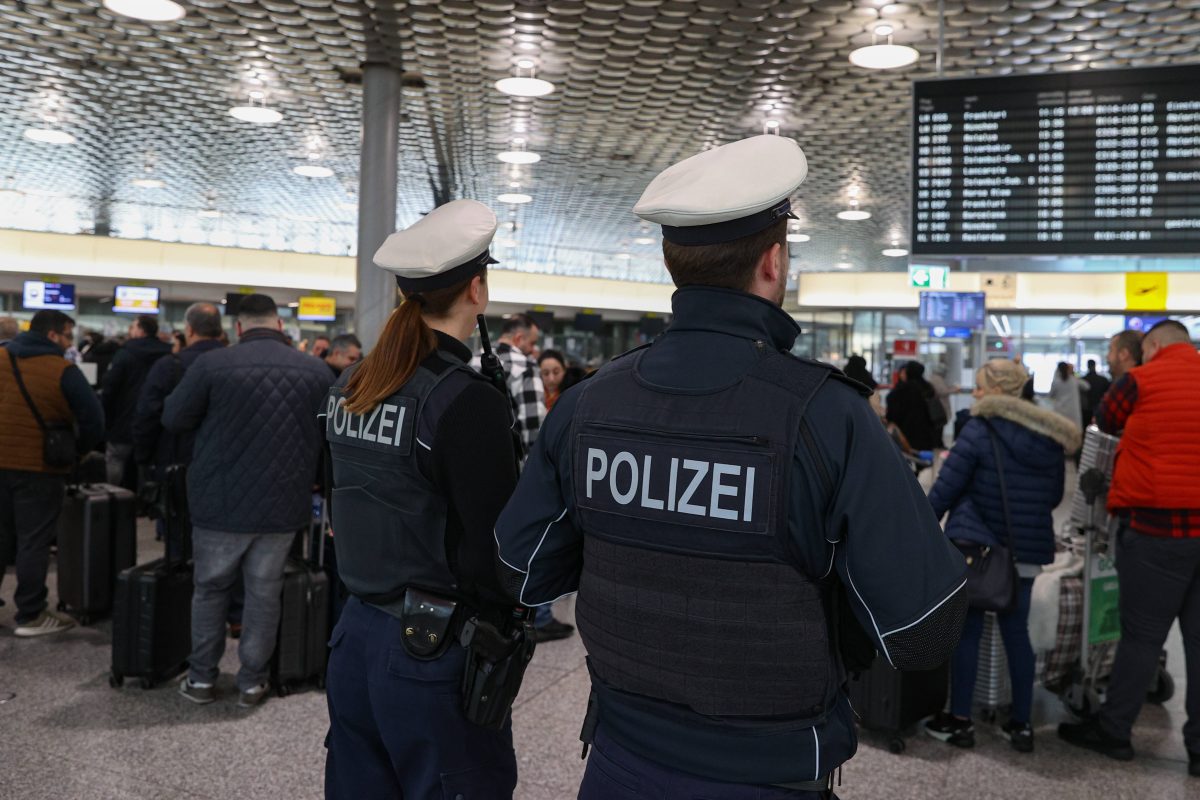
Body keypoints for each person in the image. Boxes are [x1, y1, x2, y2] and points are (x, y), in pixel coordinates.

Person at [493, 135, 968, 798]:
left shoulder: (587, 404)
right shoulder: (826, 416)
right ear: (772, 263)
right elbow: (923, 631)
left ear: (673, 264)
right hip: (770, 772)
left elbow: (521, 568)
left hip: (618, 761)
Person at [321, 200, 522, 799]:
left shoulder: (352, 383)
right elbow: (496, 545)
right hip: (433, 649)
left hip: (355, 633)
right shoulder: (465, 400)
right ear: (478, 291)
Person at [163, 294, 330, 708]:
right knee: (263, 593)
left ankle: (201, 679)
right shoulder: (315, 370)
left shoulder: (211, 364)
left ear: (237, 327)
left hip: (218, 502)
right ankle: (252, 682)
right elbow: (331, 437)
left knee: (210, 589)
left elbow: (173, 418)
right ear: (279, 324)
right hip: (284, 502)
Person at [1060, 320, 1200, 777]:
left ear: (1153, 345)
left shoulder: (1138, 381)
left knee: (1142, 636)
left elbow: (1105, 423)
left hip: (1156, 530)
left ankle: (1116, 732)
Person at [923, 359, 1081, 753]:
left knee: (967, 633)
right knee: (1017, 633)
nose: (974, 394)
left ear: (993, 390)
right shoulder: (1047, 435)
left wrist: (922, 526)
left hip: (976, 550)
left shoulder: (979, 429)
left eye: (978, 387)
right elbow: (1052, 497)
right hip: (1024, 551)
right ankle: (1021, 724)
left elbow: (947, 488)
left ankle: (960, 721)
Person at [0, 310, 104, 636]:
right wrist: (79, 451)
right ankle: (30, 614)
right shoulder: (63, 370)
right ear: (52, 336)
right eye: (67, 336)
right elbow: (94, 420)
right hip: (39, 467)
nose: (69, 343)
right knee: (33, 540)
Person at [470, 314, 573, 643]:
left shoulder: (470, 360)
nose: (533, 349)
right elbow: (533, 430)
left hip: (477, 470)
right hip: (513, 470)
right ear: (517, 339)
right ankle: (537, 614)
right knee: (524, 543)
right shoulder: (523, 366)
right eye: (530, 342)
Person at [101, 314, 172, 487]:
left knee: (116, 459)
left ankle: (113, 498)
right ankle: (145, 504)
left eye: (132, 327)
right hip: (155, 421)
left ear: (140, 330)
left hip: (122, 421)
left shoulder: (125, 353)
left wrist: (107, 418)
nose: (129, 331)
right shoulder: (168, 355)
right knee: (146, 465)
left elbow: (110, 388)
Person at [886, 360, 945, 450]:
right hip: (926, 433)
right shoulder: (927, 386)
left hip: (906, 433)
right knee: (923, 460)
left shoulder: (903, 388)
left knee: (907, 460)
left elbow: (893, 409)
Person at [1049, 361, 1084, 431]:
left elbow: (1050, 395)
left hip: (1060, 412)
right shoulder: (1074, 379)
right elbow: (1087, 386)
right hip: (1073, 412)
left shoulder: (1056, 381)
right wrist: (1073, 373)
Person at [1080, 358, 1110, 428]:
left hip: (1085, 411)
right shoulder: (1103, 380)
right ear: (1095, 366)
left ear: (1087, 366)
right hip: (1100, 409)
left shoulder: (1083, 380)